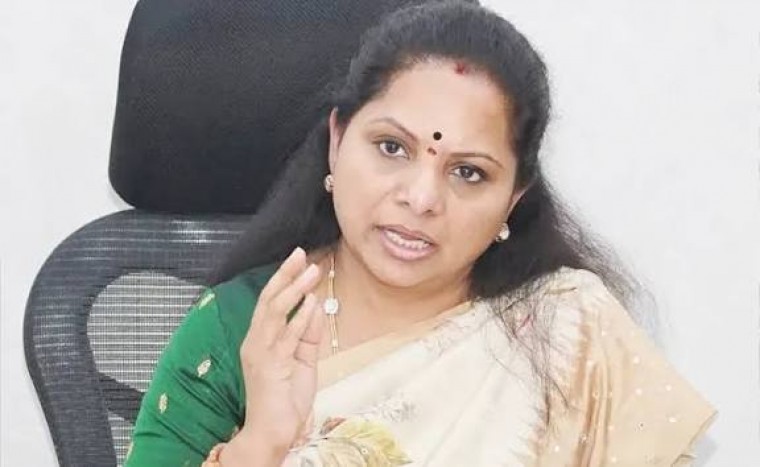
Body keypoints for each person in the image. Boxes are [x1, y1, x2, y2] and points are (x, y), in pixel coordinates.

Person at [125, 2, 715, 465]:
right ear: (337, 141)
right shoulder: (242, 330)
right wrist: (262, 444)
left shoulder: (569, 332)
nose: (422, 198)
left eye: (468, 172)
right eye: (391, 147)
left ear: (514, 198)